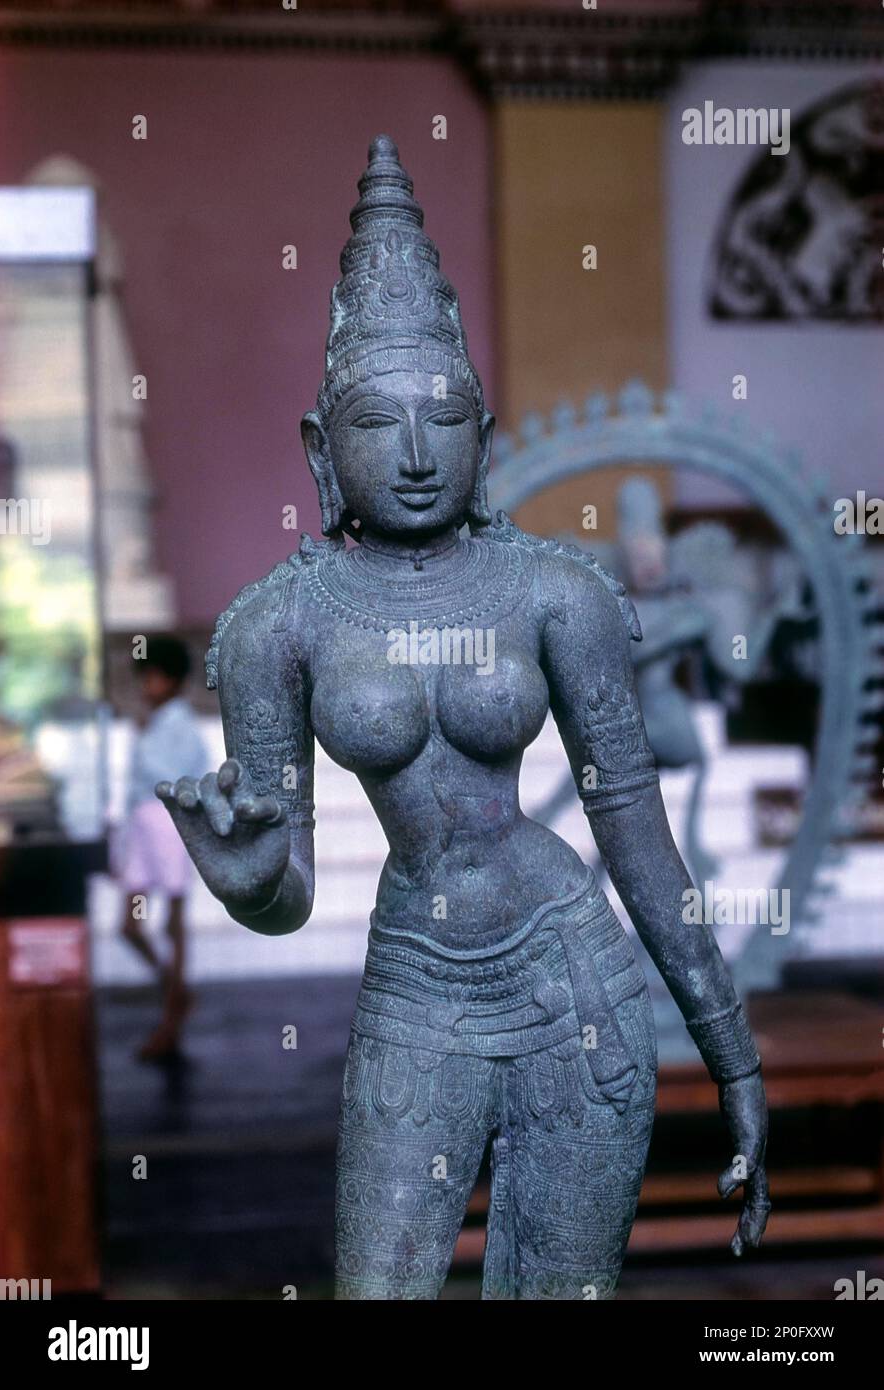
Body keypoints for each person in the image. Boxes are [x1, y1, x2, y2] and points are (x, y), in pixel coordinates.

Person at [157, 137, 769, 1298]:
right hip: (417, 984)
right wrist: (247, 876)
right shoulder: (274, 626)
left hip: (575, 978)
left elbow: (638, 841)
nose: (419, 453)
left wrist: (730, 1050)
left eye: (447, 420)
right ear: (318, 449)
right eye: (377, 423)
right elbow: (284, 901)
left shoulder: (556, 593)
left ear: (483, 439)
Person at [117, 635, 208, 1060]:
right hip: (143, 827)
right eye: (143, 677)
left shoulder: (179, 724)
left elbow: (175, 778)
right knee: (131, 924)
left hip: (169, 827)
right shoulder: (157, 722)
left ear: (171, 680)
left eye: (151, 677)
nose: (145, 686)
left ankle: (171, 1020)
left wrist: (143, 734)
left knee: (172, 924)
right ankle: (177, 990)